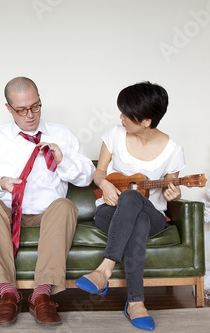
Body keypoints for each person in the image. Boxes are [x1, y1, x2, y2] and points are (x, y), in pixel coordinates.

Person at [0, 77, 95, 326]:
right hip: (7, 211)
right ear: (8, 108)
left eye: (35, 106)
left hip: (48, 213)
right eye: (22, 109)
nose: (30, 114)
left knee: (65, 206)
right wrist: (0, 182)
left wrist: (62, 159)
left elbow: (88, 175)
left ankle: (41, 295)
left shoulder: (61, 133)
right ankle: (8, 293)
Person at [75, 81, 184, 331]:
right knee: (137, 219)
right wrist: (106, 185)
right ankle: (136, 303)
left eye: (127, 114)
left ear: (147, 120)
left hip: (154, 214)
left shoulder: (173, 150)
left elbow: (171, 188)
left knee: (134, 199)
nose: (120, 118)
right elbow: (99, 172)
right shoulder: (114, 134)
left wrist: (174, 193)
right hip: (108, 213)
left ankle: (104, 271)